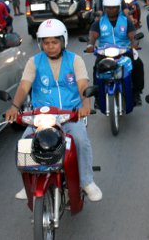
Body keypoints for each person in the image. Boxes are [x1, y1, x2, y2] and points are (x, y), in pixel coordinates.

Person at [6, 19, 102, 202]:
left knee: (80, 141)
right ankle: (28, 182)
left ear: (63, 41)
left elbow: (83, 84)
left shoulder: (75, 60)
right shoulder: (34, 62)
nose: (50, 46)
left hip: (70, 115)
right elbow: (24, 86)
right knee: (24, 142)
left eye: (54, 42)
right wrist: (14, 107)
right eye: (46, 42)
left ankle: (87, 181)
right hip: (41, 116)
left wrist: (85, 105)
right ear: (41, 43)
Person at [86, 0, 144, 106]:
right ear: (104, 8)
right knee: (97, 68)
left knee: (138, 64)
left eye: (113, 7)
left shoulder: (126, 21)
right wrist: (90, 46)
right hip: (104, 52)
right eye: (108, 7)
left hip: (124, 51)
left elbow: (133, 37)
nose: (111, 10)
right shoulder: (99, 22)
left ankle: (136, 92)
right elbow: (92, 37)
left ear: (118, 8)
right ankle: (98, 96)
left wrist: (134, 44)